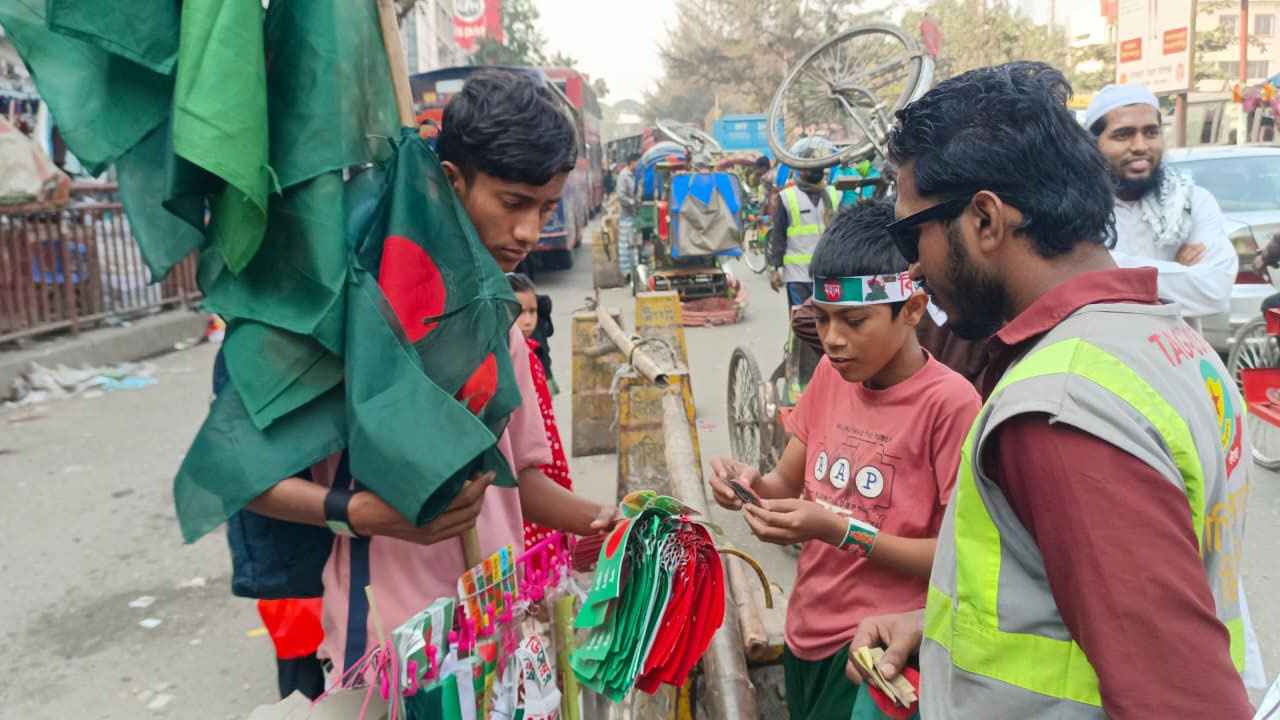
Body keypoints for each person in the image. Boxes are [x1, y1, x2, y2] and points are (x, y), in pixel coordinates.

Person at [845, 62, 1253, 719]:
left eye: (908, 232)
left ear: (984, 219)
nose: (913, 267)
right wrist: (940, 634)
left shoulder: (1061, 407)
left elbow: (1178, 700)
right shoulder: (1169, 343)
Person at [245, 69, 617, 676]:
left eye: (547, 207)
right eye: (513, 203)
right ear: (452, 182)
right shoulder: (353, 315)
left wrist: (603, 520)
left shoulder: (500, 319)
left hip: (503, 628)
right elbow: (251, 479)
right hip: (395, 648)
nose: (530, 231)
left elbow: (514, 479)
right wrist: (358, 512)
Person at [709, 201, 980, 720]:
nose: (832, 340)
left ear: (914, 310)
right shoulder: (833, 378)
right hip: (805, 626)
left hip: (877, 647)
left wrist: (840, 531)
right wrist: (747, 486)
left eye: (855, 321)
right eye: (823, 318)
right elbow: (784, 483)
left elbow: (956, 559)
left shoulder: (950, 404)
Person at [1085, 84, 1237, 329]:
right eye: (1123, 134)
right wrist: (1178, 272)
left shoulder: (1193, 202)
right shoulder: (1075, 210)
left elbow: (1216, 291)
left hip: (1176, 357)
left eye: (1151, 132)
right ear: (1092, 144)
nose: (1140, 146)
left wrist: (1108, 268)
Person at [507, 272, 574, 549]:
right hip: (524, 461)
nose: (527, 320)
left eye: (532, 311)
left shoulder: (532, 351)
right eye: (519, 312)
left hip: (545, 451)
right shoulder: (506, 357)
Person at [767, 165, 841, 305]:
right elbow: (778, 235)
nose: (815, 170)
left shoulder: (835, 194)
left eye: (819, 165)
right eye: (809, 167)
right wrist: (775, 269)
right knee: (802, 321)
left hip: (828, 273)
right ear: (801, 170)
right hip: (798, 275)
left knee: (828, 323)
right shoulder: (787, 197)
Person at [616, 152, 641, 220]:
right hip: (627, 213)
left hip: (635, 211)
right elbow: (621, 195)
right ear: (632, 162)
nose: (640, 165)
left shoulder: (636, 173)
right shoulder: (623, 175)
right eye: (639, 162)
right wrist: (632, 202)